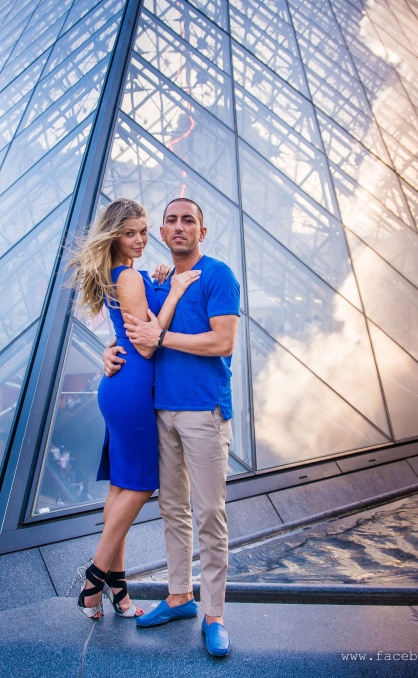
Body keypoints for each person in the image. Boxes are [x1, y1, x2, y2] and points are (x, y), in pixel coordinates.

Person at [107, 197, 240, 657]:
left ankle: (215, 615)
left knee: (209, 514)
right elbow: (134, 332)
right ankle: (180, 596)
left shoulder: (218, 275)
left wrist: (163, 338)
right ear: (163, 233)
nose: (178, 227)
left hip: (204, 410)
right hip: (161, 409)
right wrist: (110, 351)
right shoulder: (159, 280)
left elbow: (223, 341)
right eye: (171, 221)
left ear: (202, 231)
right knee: (173, 510)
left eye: (188, 220)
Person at [67, 198, 200, 620]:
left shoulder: (122, 273)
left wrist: (157, 283)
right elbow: (146, 343)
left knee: (121, 487)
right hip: (135, 387)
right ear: (114, 236)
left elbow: (128, 330)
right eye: (130, 233)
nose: (140, 239)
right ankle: (93, 581)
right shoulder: (127, 276)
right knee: (141, 486)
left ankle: (118, 590)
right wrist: (174, 291)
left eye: (143, 231)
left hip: (121, 385)